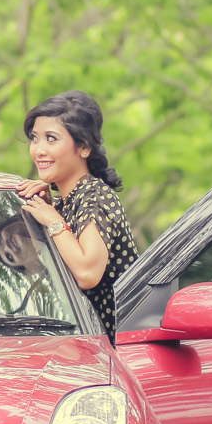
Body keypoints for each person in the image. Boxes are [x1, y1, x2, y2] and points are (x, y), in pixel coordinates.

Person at [14, 90, 139, 344]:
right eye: (35, 138)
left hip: (117, 352)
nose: (38, 150)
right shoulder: (68, 200)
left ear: (84, 147)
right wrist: (52, 210)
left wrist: (52, 220)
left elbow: (87, 273)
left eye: (51, 139)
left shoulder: (95, 196)